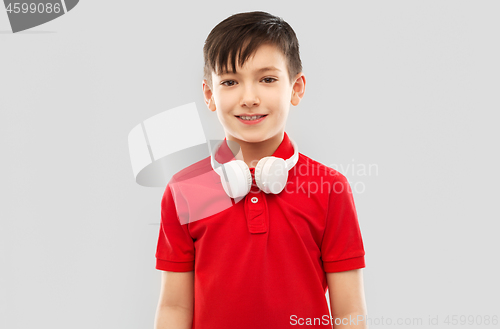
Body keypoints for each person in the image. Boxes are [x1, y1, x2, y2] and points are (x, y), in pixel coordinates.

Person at [154, 11, 368, 329]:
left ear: (296, 88)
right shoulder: (184, 190)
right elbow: (174, 306)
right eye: (230, 82)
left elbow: (349, 310)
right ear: (210, 95)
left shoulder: (330, 188)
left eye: (267, 79)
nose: (250, 98)